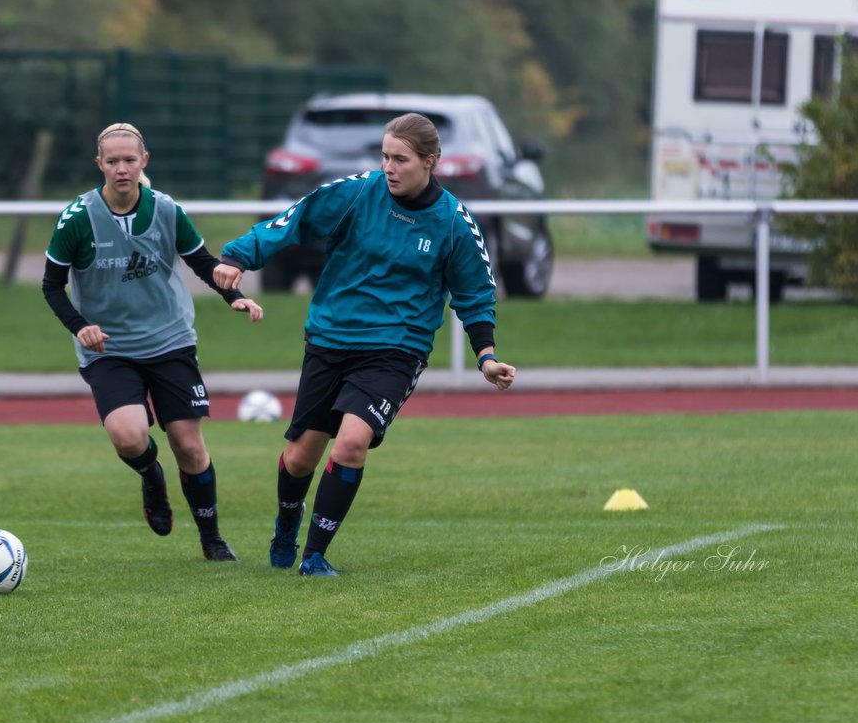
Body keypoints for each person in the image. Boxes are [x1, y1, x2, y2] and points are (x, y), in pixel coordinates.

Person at [214, 112, 515, 577]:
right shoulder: (357, 192)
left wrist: (486, 356)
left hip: (397, 349)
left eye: (401, 159)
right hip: (331, 338)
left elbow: (475, 294)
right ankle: (287, 524)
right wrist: (239, 256)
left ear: (430, 162)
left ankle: (314, 556)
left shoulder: (454, 222)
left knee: (351, 443)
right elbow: (294, 222)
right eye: (385, 157)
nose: (389, 168)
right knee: (299, 458)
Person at [43, 122, 263, 562]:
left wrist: (234, 296)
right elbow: (51, 285)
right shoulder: (78, 218)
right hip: (110, 348)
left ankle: (212, 539)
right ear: (99, 165)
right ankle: (150, 473)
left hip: (170, 340)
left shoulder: (166, 210)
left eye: (129, 160)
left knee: (188, 444)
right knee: (128, 437)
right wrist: (79, 325)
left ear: (144, 162)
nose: (121, 169)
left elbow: (202, 263)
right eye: (112, 161)